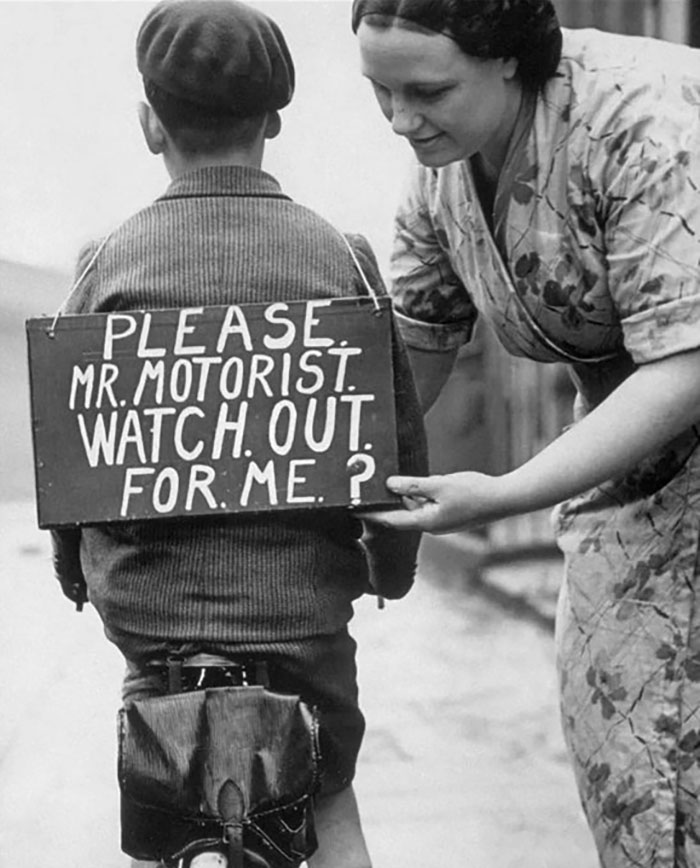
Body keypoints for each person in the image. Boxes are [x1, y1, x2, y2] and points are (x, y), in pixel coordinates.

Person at [49, 2, 427, 867]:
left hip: (158, 632)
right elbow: (395, 450)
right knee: (331, 807)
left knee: (163, 808)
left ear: (151, 124)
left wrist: (82, 579)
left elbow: (71, 452)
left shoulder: (106, 265)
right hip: (303, 630)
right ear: (274, 121)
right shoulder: (341, 258)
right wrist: (388, 576)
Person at [351, 0, 700, 865]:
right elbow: (418, 351)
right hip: (635, 462)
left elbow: (685, 364)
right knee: (631, 754)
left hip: (671, 395)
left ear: (508, 59)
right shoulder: (442, 167)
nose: (401, 120)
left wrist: (504, 494)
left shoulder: (641, 116)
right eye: (380, 92)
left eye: (426, 91)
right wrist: (323, 473)